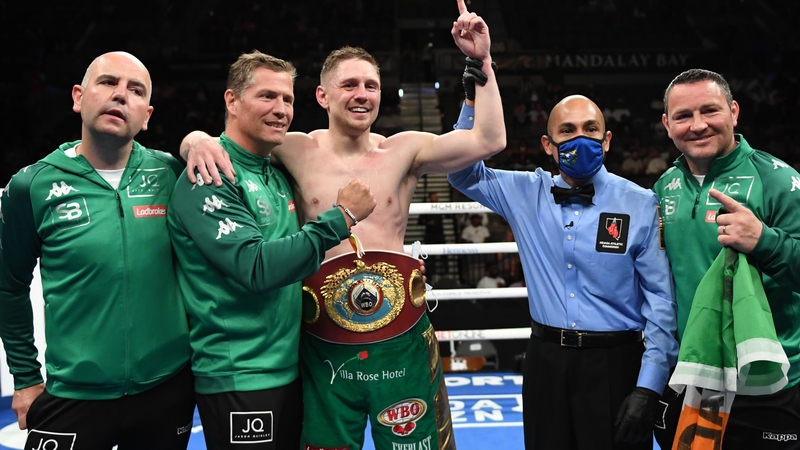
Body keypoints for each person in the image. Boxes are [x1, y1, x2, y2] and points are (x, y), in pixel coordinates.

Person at [181, 2, 505, 448]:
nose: (362, 94)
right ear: (322, 96)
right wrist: (194, 140)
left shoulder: (404, 150)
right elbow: (234, 141)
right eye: (349, 84)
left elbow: (489, 139)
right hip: (322, 339)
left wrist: (481, 61)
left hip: (399, 336)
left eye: (371, 85)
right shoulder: (292, 149)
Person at [167, 51, 375, 450]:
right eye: (267, 97)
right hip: (239, 375)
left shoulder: (273, 171)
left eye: (288, 100)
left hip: (291, 368)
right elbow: (256, 268)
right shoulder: (207, 176)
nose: (281, 110)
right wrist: (342, 216)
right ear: (231, 101)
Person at [448, 94, 678, 450]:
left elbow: (661, 303)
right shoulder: (525, 192)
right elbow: (461, 170)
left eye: (591, 129)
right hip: (546, 362)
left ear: (607, 140)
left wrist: (649, 385)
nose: (580, 138)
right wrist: (472, 101)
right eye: (567, 131)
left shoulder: (640, 202)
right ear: (548, 145)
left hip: (616, 364)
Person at [0, 51, 201, 450]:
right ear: (78, 96)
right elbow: (10, 287)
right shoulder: (31, 186)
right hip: (74, 392)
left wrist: (198, 139)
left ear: (147, 115)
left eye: (136, 90)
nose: (120, 95)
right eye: (108, 83)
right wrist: (24, 379)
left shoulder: (172, 174)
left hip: (167, 389)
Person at [653, 68, 800, 449]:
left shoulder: (778, 180)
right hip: (698, 376)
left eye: (710, 111)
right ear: (667, 125)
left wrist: (765, 240)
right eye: (683, 116)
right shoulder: (663, 186)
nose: (698, 125)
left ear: (734, 112)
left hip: (769, 375)